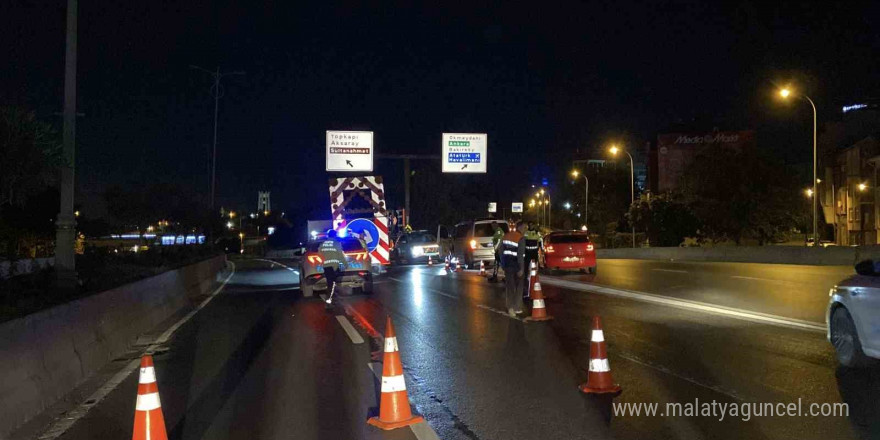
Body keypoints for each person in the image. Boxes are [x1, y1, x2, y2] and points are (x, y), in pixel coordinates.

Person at [500, 222, 526, 317]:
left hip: (507, 264)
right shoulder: (520, 238)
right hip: (516, 265)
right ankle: (516, 307)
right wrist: (522, 268)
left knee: (510, 286)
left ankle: (510, 307)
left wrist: (502, 264)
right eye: (524, 227)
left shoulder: (506, 236)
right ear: (519, 227)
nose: (525, 229)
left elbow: (500, 251)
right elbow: (520, 255)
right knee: (519, 286)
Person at [319, 229, 347, 308]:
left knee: (330, 283)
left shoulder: (323, 243)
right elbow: (341, 256)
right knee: (332, 283)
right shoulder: (336, 243)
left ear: (328, 235)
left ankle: (332, 298)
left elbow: (319, 253)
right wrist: (345, 264)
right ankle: (329, 301)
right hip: (334, 266)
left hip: (326, 266)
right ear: (335, 235)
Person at [523, 222, 542, 300]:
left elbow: (540, 240)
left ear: (533, 225)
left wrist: (541, 249)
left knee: (535, 267)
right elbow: (523, 241)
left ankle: (534, 278)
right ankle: (526, 278)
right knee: (526, 267)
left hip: (534, 253)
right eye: (530, 224)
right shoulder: (526, 233)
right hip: (527, 253)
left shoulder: (537, 233)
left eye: (532, 224)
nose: (531, 226)